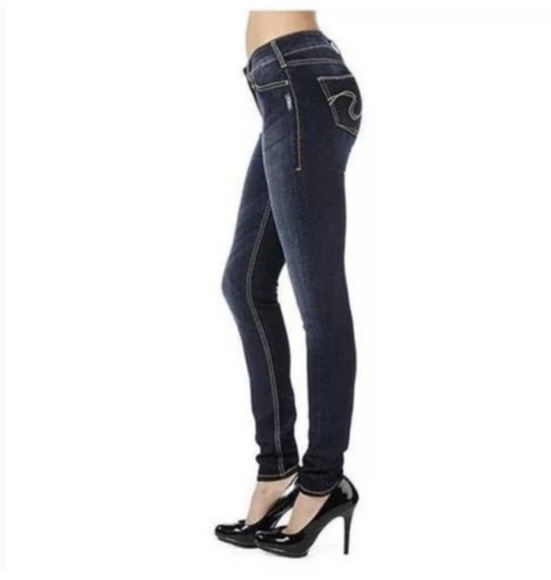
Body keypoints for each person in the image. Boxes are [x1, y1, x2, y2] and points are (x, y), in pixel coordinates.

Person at [214, 10, 363, 557]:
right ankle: (276, 468)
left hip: (298, 80)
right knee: (245, 283)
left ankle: (322, 481)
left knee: (319, 301)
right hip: (282, 89)